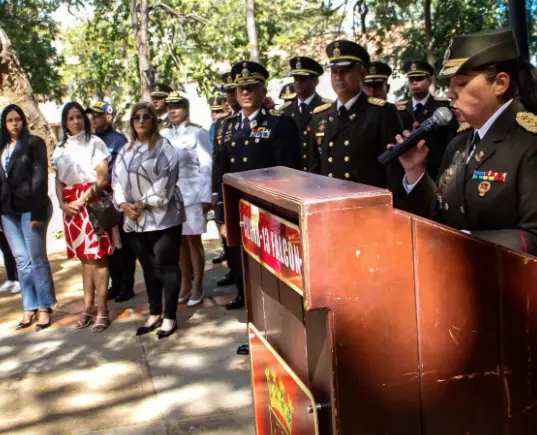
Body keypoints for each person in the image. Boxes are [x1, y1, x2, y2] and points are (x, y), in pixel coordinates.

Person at [395, 28, 537, 255]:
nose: (450, 93)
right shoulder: (461, 141)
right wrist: (415, 172)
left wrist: (458, 242)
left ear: (500, 83)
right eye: (451, 84)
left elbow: (533, 237)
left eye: (461, 84)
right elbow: (439, 216)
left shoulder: (529, 142)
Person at [215, 60, 300, 311]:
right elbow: (220, 173)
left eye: (251, 87)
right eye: (240, 88)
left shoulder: (279, 124)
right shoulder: (227, 127)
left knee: (271, 273)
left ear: (263, 91)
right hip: (239, 211)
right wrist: (221, 217)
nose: (244, 93)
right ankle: (253, 318)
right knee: (244, 268)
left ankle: (271, 323)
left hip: (269, 213)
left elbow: (289, 174)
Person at [113, 102, 185, 339]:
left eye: (146, 117)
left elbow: (167, 180)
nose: (141, 121)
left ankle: (169, 317)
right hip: (134, 219)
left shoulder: (165, 148)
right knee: (148, 268)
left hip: (163, 217)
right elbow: (117, 181)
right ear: (131, 122)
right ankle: (154, 312)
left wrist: (142, 204)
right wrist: (124, 204)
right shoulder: (126, 150)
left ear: (154, 120)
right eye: (136, 117)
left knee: (166, 266)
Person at [309, 40, 403, 192]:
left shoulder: (382, 112)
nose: (338, 77)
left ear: (363, 74)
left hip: (366, 205)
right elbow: (315, 168)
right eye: (334, 72)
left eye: (345, 71)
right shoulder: (320, 116)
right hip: (328, 201)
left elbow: (394, 170)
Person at [53, 102, 112, 332]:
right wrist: (62, 204)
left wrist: (81, 200)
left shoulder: (94, 142)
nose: (75, 122)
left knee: (98, 258)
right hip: (70, 207)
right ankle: (87, 307)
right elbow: (59, 179)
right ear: (65, 122)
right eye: (70, 118)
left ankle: (102, 308)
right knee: (84, 260)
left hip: (91, 204)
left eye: (79, 117)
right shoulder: (61, 147)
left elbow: (102, 178)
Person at [0, 104, 55, 330]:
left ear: (23, 121)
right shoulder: (1, 147)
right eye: (10, 120)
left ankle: (44, 306)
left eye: (18, 119)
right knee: (21, 261)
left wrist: (38, 212)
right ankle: (29, 305)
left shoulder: (34, 143)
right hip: (6, 211)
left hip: (32, 208)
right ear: (4, 123)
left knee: (36, 258)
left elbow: (40, 179)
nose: (14, 124)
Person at [161, 93, 211, 307]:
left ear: (186, 109)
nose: (172, 110)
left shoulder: (197, 133)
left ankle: (198, 283)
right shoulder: (163, 135)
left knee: (193, 242)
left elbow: (207, 166)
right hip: (171, 196)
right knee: (178, 242)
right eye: (169, 107)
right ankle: (185, 284)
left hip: (192, 195)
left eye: (177, 106)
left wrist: (207, 196)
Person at [86, 100, 136, 303]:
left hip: (116, 197)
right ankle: (115, 284)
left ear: (108, 117)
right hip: (98, 200)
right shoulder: (90, 140)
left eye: (97, 115)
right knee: (109, 244)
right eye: (92, 115)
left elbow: (125, 169)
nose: (93, 119)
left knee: (124, 244)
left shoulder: (118, 140)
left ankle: (127, 285)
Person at [396, 60, 458, 181]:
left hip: (436, 175)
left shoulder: (443, 109)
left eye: (419, 79)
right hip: (406, 177)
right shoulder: (398, 111)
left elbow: (451, 143)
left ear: (430, 81)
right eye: (411, 79)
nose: (414, 83)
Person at [211, 72, 240, 281]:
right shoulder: (223, 125)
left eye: (233, 91)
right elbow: (218, 163)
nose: (230, 96)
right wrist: (215, 192)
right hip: (229, 194)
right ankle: (238, 282)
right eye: (228, 92)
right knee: (232, 243)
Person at [282, 56, 331, 171]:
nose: (298, 82)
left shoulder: (327, 109)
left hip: (318, 173)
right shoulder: (285, 111)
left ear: (315, 81)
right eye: (296, 78)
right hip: (292, 173)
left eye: (303, 78)